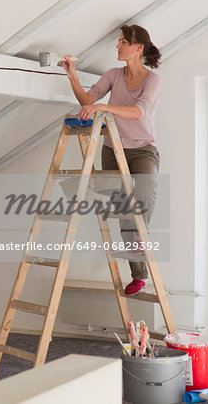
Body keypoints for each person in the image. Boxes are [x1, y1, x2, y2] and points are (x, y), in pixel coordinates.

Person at [62, 24, 161, 295]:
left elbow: (137, 112)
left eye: (122, 42)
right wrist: (71, 75)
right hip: (112, 149)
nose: (117, 46)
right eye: (118, 41)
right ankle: (139, 274)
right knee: (123, 209)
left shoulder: (152, 80)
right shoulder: (113, 75)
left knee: (143, 197)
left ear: (138, 48)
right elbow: (88, 98)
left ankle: (140, 243)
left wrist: (103, 107)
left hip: (142, 150)